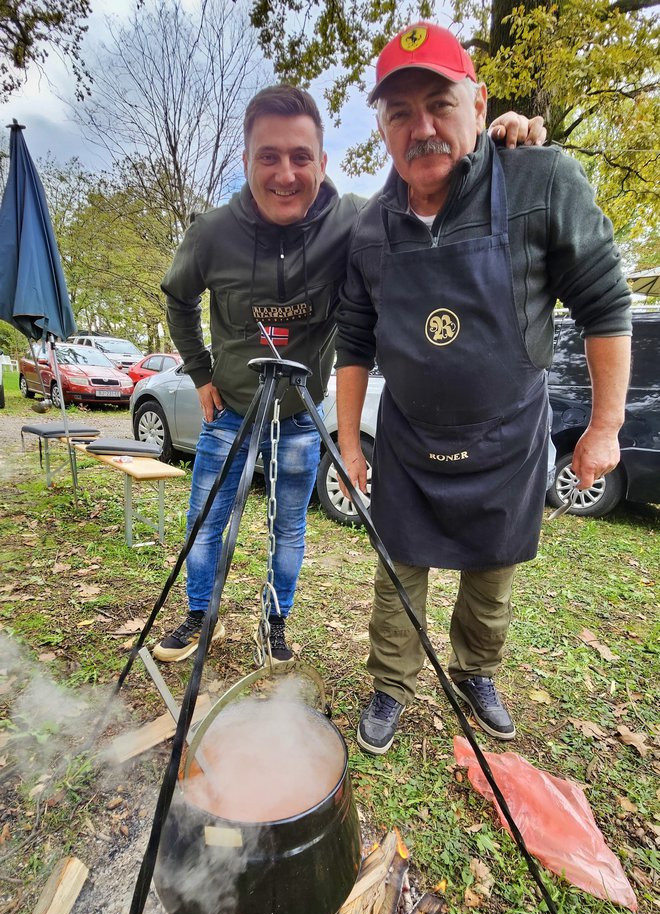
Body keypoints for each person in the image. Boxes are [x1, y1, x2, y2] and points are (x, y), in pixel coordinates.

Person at [154, 84, 547, 663]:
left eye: (300, 157)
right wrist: (200, 372)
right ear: (245, 161)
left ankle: (275, 622)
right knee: (207, 520)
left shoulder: (354, 222)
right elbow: (177, 300)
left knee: (289, 527)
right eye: (268, 156)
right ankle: (194, 615)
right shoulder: (211, 233)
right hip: (230, 409)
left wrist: (494, 148)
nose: (286, 173)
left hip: (299, 416)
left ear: (322, 161)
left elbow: (427, 195)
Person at [334, 22, 631, 753]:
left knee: (491, 577)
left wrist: (605, 426)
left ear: (479, 103)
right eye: (400, 112)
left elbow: (605, 301)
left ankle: (476, 671)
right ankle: (391, 683)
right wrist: (349, 438)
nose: (422, 126)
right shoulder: (371, 227)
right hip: (409, 442)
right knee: (397, 577)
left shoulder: (540, 180)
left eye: (440, 103)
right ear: (381, 128)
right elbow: (352, 341)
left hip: (508, 439)